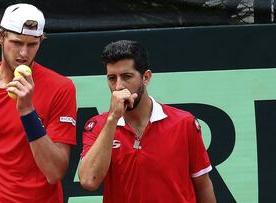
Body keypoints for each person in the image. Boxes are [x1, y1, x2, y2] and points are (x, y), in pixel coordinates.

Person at [0, 3, 77, 203]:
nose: (24, 53)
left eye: (32, 44)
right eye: (17, 42)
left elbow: (55, 172)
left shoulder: (61, 88)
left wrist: (27, 111)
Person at [78, 40, 216, 203]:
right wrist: (112, 119)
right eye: (112, 78)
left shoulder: (184, 123)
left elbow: (203, 185)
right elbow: (88, 181)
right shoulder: (98, 125)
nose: (118, 86)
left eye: (127, 76)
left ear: (146, 77)